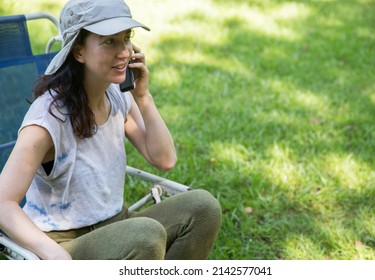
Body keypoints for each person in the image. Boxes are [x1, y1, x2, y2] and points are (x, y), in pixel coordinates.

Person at [0, 0, 221, 260]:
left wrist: (143, 97)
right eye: (109, 42)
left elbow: (164, 159)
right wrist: (55, 255)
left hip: (116, 223)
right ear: (79, 51)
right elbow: (3, 203)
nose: (124, 52)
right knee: (144, 236)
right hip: (64, 241)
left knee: (203, 208)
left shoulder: (117, 94)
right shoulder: (48, 118)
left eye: (126, 38)